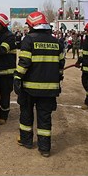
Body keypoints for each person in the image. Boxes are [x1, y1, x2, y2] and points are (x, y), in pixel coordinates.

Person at [13, 11, 65, 157]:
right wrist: (57, 78)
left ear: (32, 25)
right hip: (49, 89)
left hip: (29, 88)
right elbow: (61, 65)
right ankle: (44, 148)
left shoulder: (29, 40)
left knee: (26, 114)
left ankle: (26, 141)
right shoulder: (56, 42)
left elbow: (24, 63)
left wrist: (17, 77)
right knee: (44, 118)